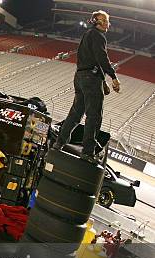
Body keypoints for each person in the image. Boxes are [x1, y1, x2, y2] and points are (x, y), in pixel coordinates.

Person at [53, 10, 121, 163]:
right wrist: (113, 77)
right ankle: (87, 152)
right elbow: (101, 57)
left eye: (107, 21)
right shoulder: (98, 36)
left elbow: (92, 59)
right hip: (91, 79)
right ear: (97, 21)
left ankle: (59, 143)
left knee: (75, 114)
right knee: (94, 116)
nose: (107, 25)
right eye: (105, 21)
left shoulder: (87, 35)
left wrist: (102, 81)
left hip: (80, 77)